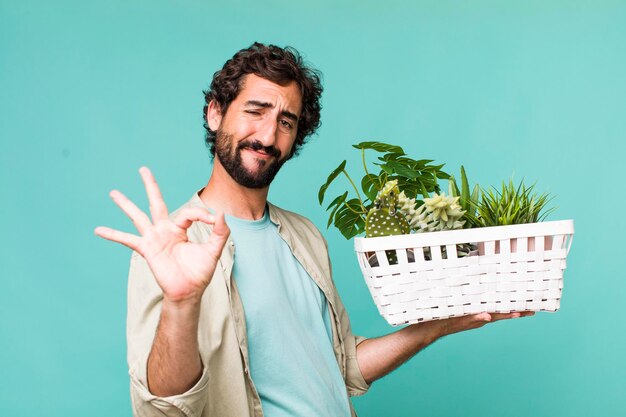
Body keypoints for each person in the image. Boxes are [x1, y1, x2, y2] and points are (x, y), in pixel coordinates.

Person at [95, 42, 532, 417]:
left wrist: (437, 324)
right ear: (215, 113)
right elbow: (163, 407)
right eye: (255, 110)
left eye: (286, 121)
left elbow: (342, 365)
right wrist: (182, 302)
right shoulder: (172, 246)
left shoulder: (304, 236)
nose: (268, 135)